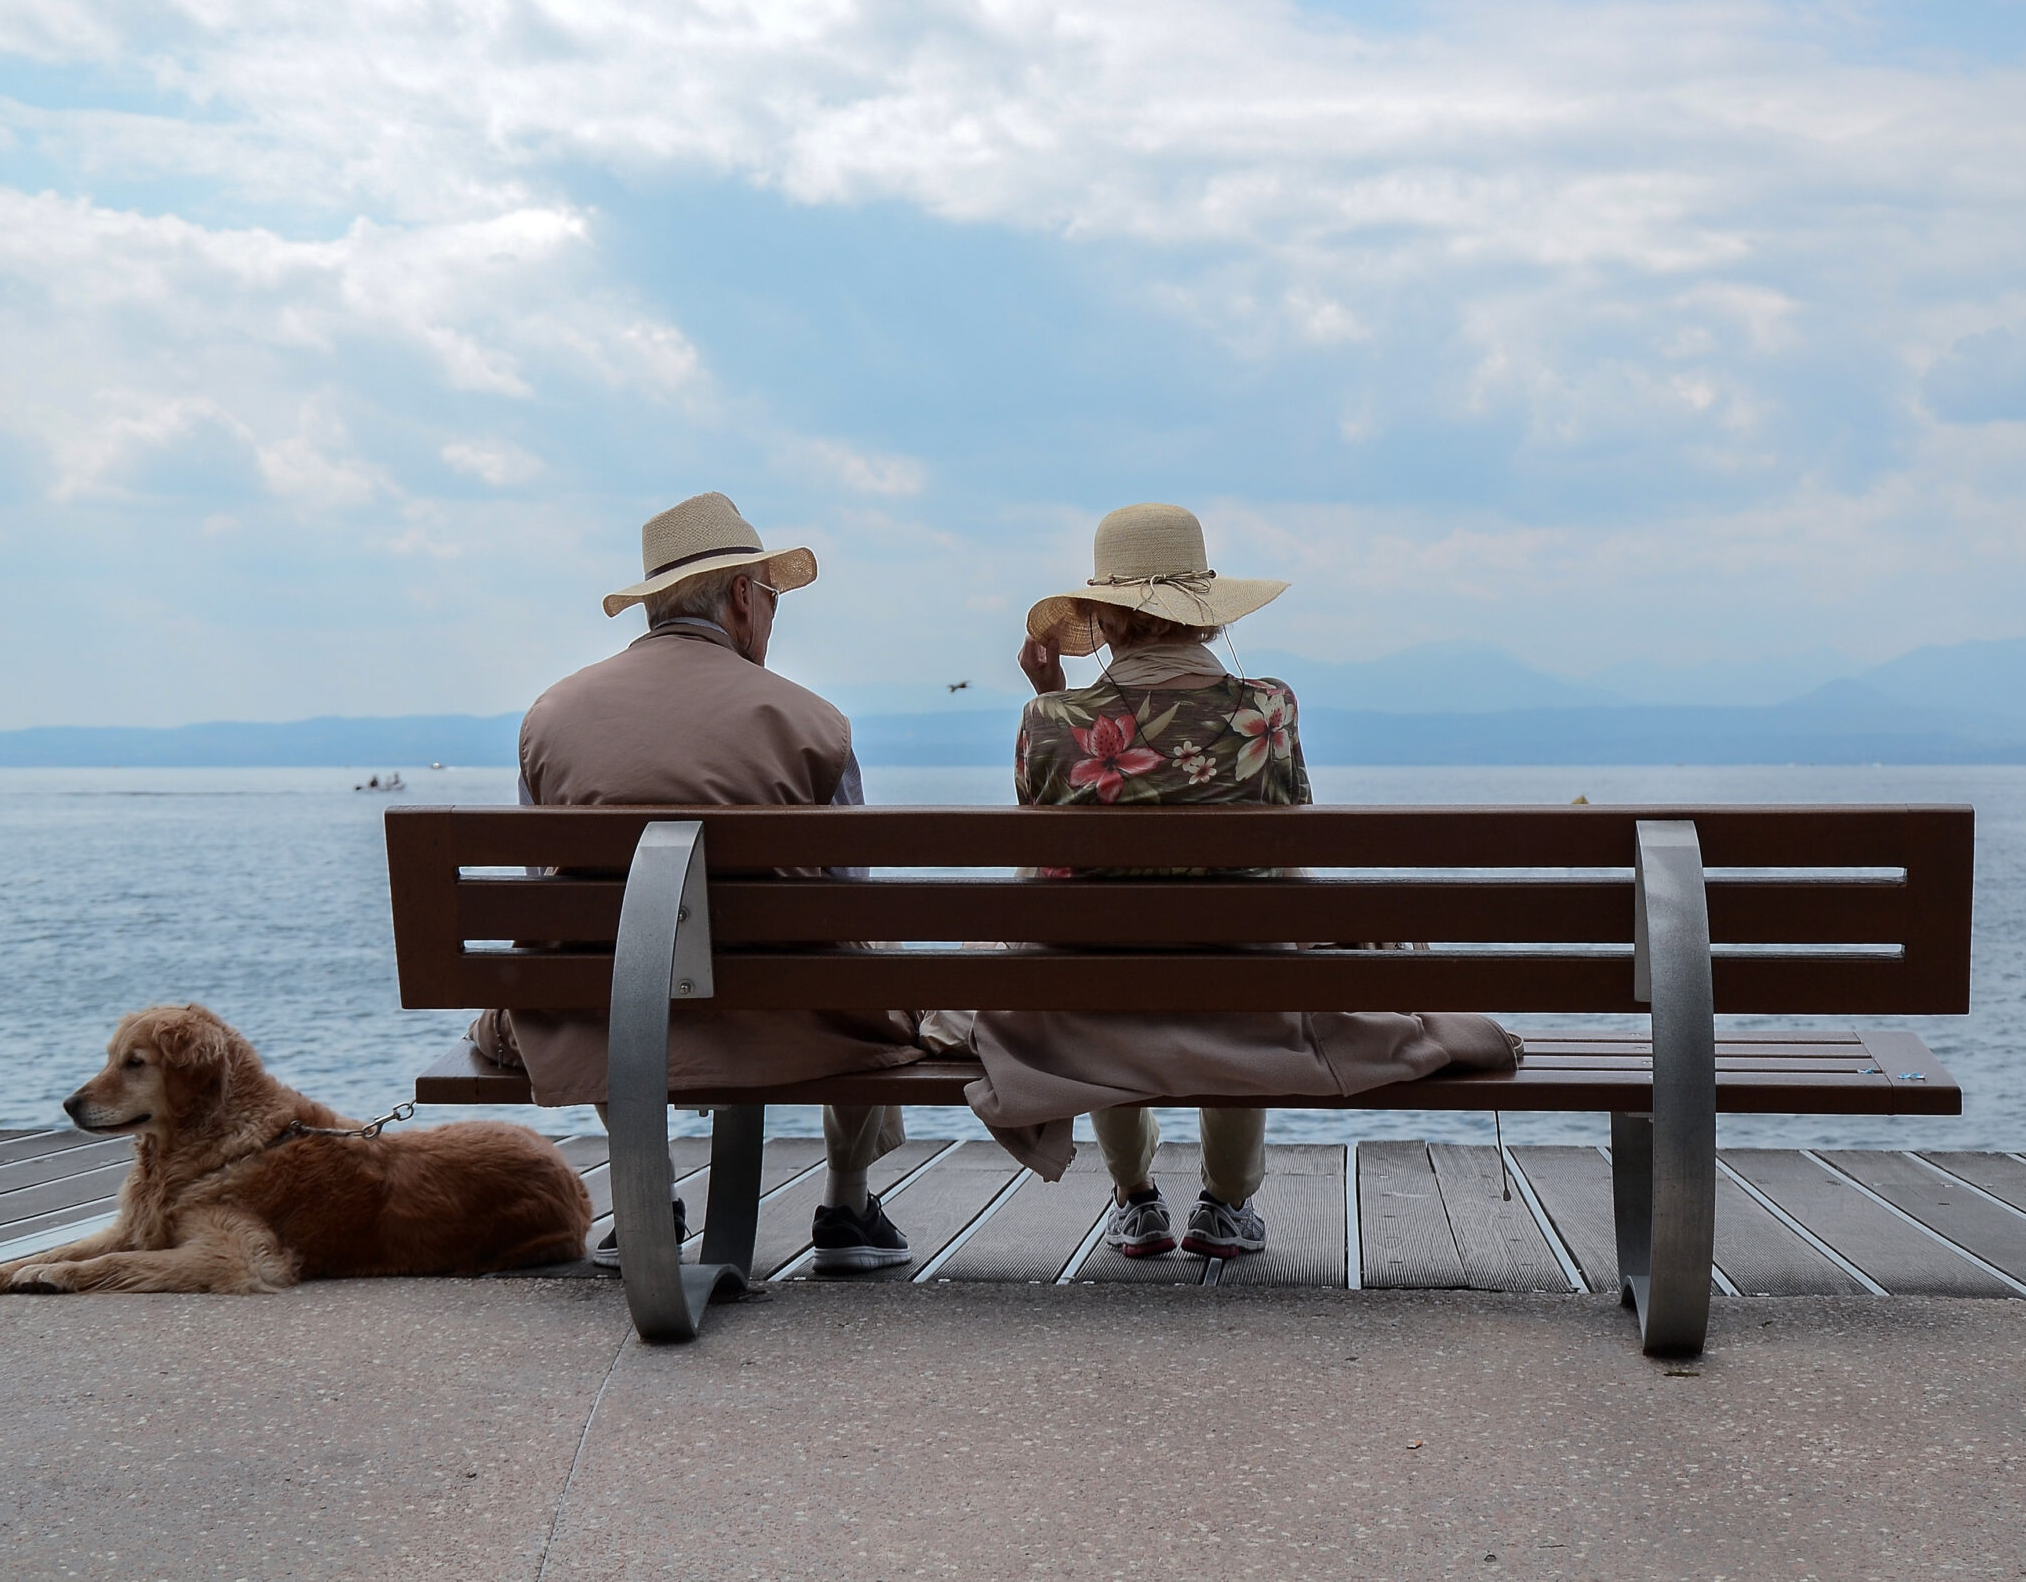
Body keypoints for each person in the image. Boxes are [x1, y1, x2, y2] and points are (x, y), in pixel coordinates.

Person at [965, 502, 1520, 1260]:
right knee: (1253, 949)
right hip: (1247, 999)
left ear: (1107, 617)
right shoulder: (1268, 707)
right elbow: (1292, 842)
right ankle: (1225, 1202)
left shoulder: (1049, 718)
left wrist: (1053, 692)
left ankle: (1134, 1198)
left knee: (1086, 957)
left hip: (1091, 1005)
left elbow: (1046, 859)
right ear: (1206, 614)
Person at [465, 491, 924, 1275]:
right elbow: (851, 902)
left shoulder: (551, 717)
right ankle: (847, 1204)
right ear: (743, 597)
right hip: (788, 1023)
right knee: (866, 958)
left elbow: (545, 893)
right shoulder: (815, 724)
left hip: (596, 1021)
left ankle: (648, 1196)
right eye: (774, 598)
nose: (774, 618)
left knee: (589, 964)